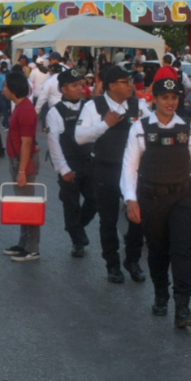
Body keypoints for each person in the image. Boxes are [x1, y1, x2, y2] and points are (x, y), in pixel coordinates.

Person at [122, 78, 191, 328]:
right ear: (155, 99)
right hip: (152, 199)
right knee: (158, 251)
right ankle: (161, 294)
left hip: (183, 197)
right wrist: (131, 199)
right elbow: (130, 166)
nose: (170, 102)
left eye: (174, 97)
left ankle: (183, 306)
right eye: (165, 97)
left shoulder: (188, 127)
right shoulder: (140, 128)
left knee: (182, 250)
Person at [76, 66, 145, 284]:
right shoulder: (93, 107)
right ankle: (112, 265)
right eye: (126, 81)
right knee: (108, 219)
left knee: (137, 218)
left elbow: (151, 127)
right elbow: (79, 137)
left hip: (133, 171)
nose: (130, 85)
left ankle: (132, 261)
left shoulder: (138, 105)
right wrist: (105, 124)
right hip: (106, 168)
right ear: (113, 85)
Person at [45, 70, 97, 258]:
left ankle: (77, 227)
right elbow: (53, 143)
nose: (79, 89)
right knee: (71, 204)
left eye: (80, 85)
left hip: (89, 162)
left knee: (94, 200)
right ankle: (77, 241)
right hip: (69, 164)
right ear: (63, 89)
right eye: (74, 86)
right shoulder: (55, 112)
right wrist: (63, 169)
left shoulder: (89, 107)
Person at [1, 71, 41, 262]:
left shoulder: (24, 110)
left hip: (22, 162)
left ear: (13, 89)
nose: (3, 89)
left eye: (5, 86)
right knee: (22, 205)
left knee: (28, 207)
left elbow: (26, 143)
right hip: (18, 160)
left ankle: (32, 249)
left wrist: (23, 171)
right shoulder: (20, 106)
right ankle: (23, 244)